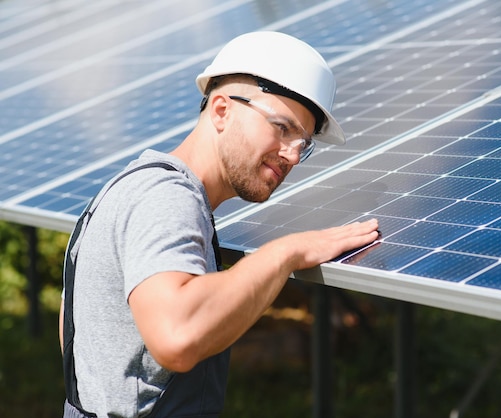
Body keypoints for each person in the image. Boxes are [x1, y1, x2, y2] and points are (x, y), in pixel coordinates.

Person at [59, 31, 379, 418]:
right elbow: (177, 337)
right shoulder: (166, 197)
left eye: (303, 143)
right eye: (282, 128)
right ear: (221, 110)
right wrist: (284, 253)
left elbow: (75, 332)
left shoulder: (134, 182)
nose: (293, 155)